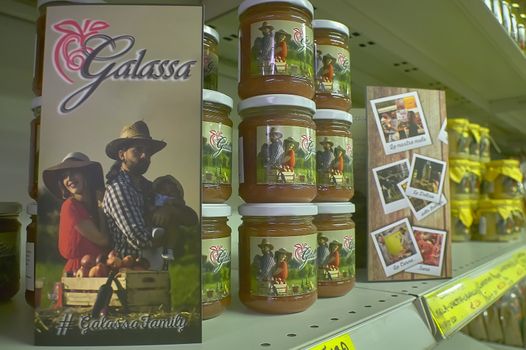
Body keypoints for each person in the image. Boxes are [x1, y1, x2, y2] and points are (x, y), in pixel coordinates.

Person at [103, 120, 196, 265]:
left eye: (148, 152)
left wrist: (169, 210)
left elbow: (191, 219)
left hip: (155, 275)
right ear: (122, 155)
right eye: (138, 150)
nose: (144, 156)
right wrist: (172, 235)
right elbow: (141, 239)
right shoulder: (118, 189)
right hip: (129, 272)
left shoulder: (149, 187)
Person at [43, 152, 110, 274]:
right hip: (79, 272)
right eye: (64, 176)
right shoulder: (70, 206)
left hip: (101, 270)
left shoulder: (96, 206)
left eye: (74, 172)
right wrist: (101, 207)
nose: (69, 179)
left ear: (87, 175)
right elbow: (103, 240)